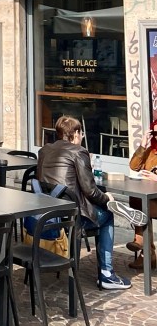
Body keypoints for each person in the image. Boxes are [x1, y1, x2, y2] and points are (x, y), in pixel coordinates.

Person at [37, 115, 130, 290]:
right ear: (75, 134)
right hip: (72, 217)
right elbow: (91, 191)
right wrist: (107, 199)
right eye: (81, 133)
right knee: (108, 215)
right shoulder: (78, 152)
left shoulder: (44, 150)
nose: (82, 137)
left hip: (49, 214)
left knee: (99, 209)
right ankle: (107, 274)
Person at [126, 119, 157, 270]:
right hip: (150, 199)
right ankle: (147, 252)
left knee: (140, 204)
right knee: (137, 199)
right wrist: (143, 144)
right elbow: (133, 166)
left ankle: (144, 248)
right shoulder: (150, 152)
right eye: (154, 133)